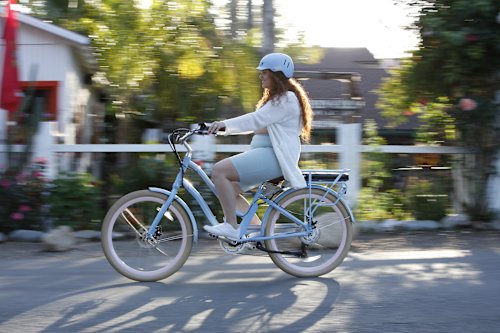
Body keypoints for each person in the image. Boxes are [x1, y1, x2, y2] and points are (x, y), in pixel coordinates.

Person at [203, 52, 313, 240]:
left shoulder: (285, 99)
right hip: (266, 155)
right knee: (230, 189)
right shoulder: (279, 99)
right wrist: (220, 128)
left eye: (265, 72)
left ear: (276, 74)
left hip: (273, 158)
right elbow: (255, 124)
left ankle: (231, 226)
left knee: (219, 171)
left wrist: (224, 124)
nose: (261, 76)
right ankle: (255, 232)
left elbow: (254, 120)